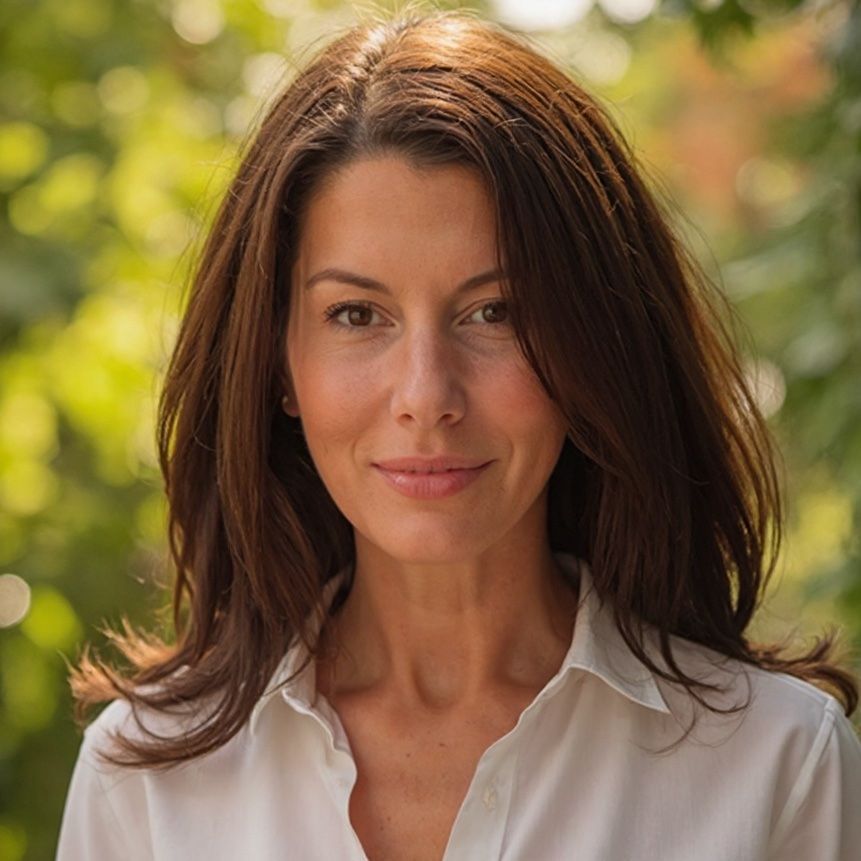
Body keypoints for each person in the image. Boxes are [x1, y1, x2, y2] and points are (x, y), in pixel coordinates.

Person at [56, 9, 861, 861]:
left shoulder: (774, 761)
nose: (425, 395)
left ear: (592, 347)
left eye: (494, 311)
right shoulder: (145, 781)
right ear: (277, 364)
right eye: (356, 314)